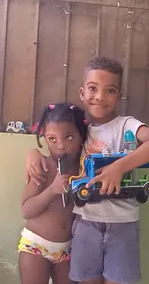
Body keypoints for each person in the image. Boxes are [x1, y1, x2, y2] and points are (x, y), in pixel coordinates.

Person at [25, 56, 149, 284]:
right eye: (93, 89)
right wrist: (32, 153)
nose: (100, 97)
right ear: (82, 92)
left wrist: (118, 168)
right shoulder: (79, 133)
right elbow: (56, 147)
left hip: (122, 225)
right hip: (85, 223)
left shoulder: (127, 125)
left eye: (110, 90)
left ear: (119, 96)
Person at [18, 102, 87, 284]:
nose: (61, 146)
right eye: (52, 139)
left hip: (67, 249)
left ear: (82, 136)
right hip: (36, 246)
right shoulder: (42, 167)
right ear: (45, 139)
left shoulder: (84, 169)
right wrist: (52, 190)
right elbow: (26, 210)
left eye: (69, 137)